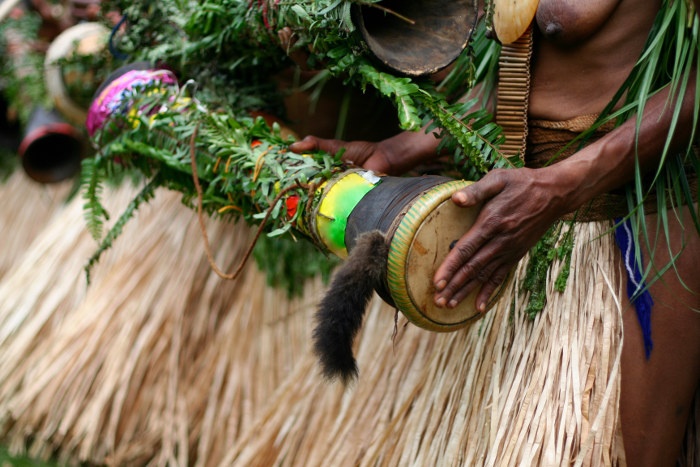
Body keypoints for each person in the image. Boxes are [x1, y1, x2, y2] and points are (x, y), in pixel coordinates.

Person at [290, 1, 700, 465]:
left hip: (633, 243)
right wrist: (404, 146)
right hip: (519, 233)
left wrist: (563, 184)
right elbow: (516, 76)